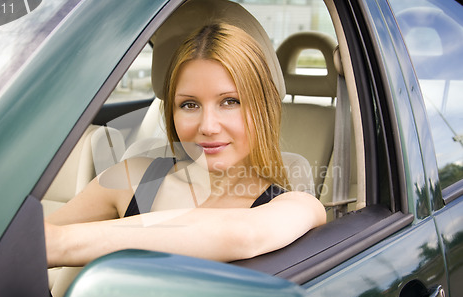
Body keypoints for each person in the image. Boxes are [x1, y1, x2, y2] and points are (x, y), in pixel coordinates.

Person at [44, 23, 326, 268]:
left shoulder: (299, 206)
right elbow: (22, 244)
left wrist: (60, 245)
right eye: (189, 104)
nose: (208, 126)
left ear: (263, 109)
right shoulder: (131, 178)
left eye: (230, 102)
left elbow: (242, 234)